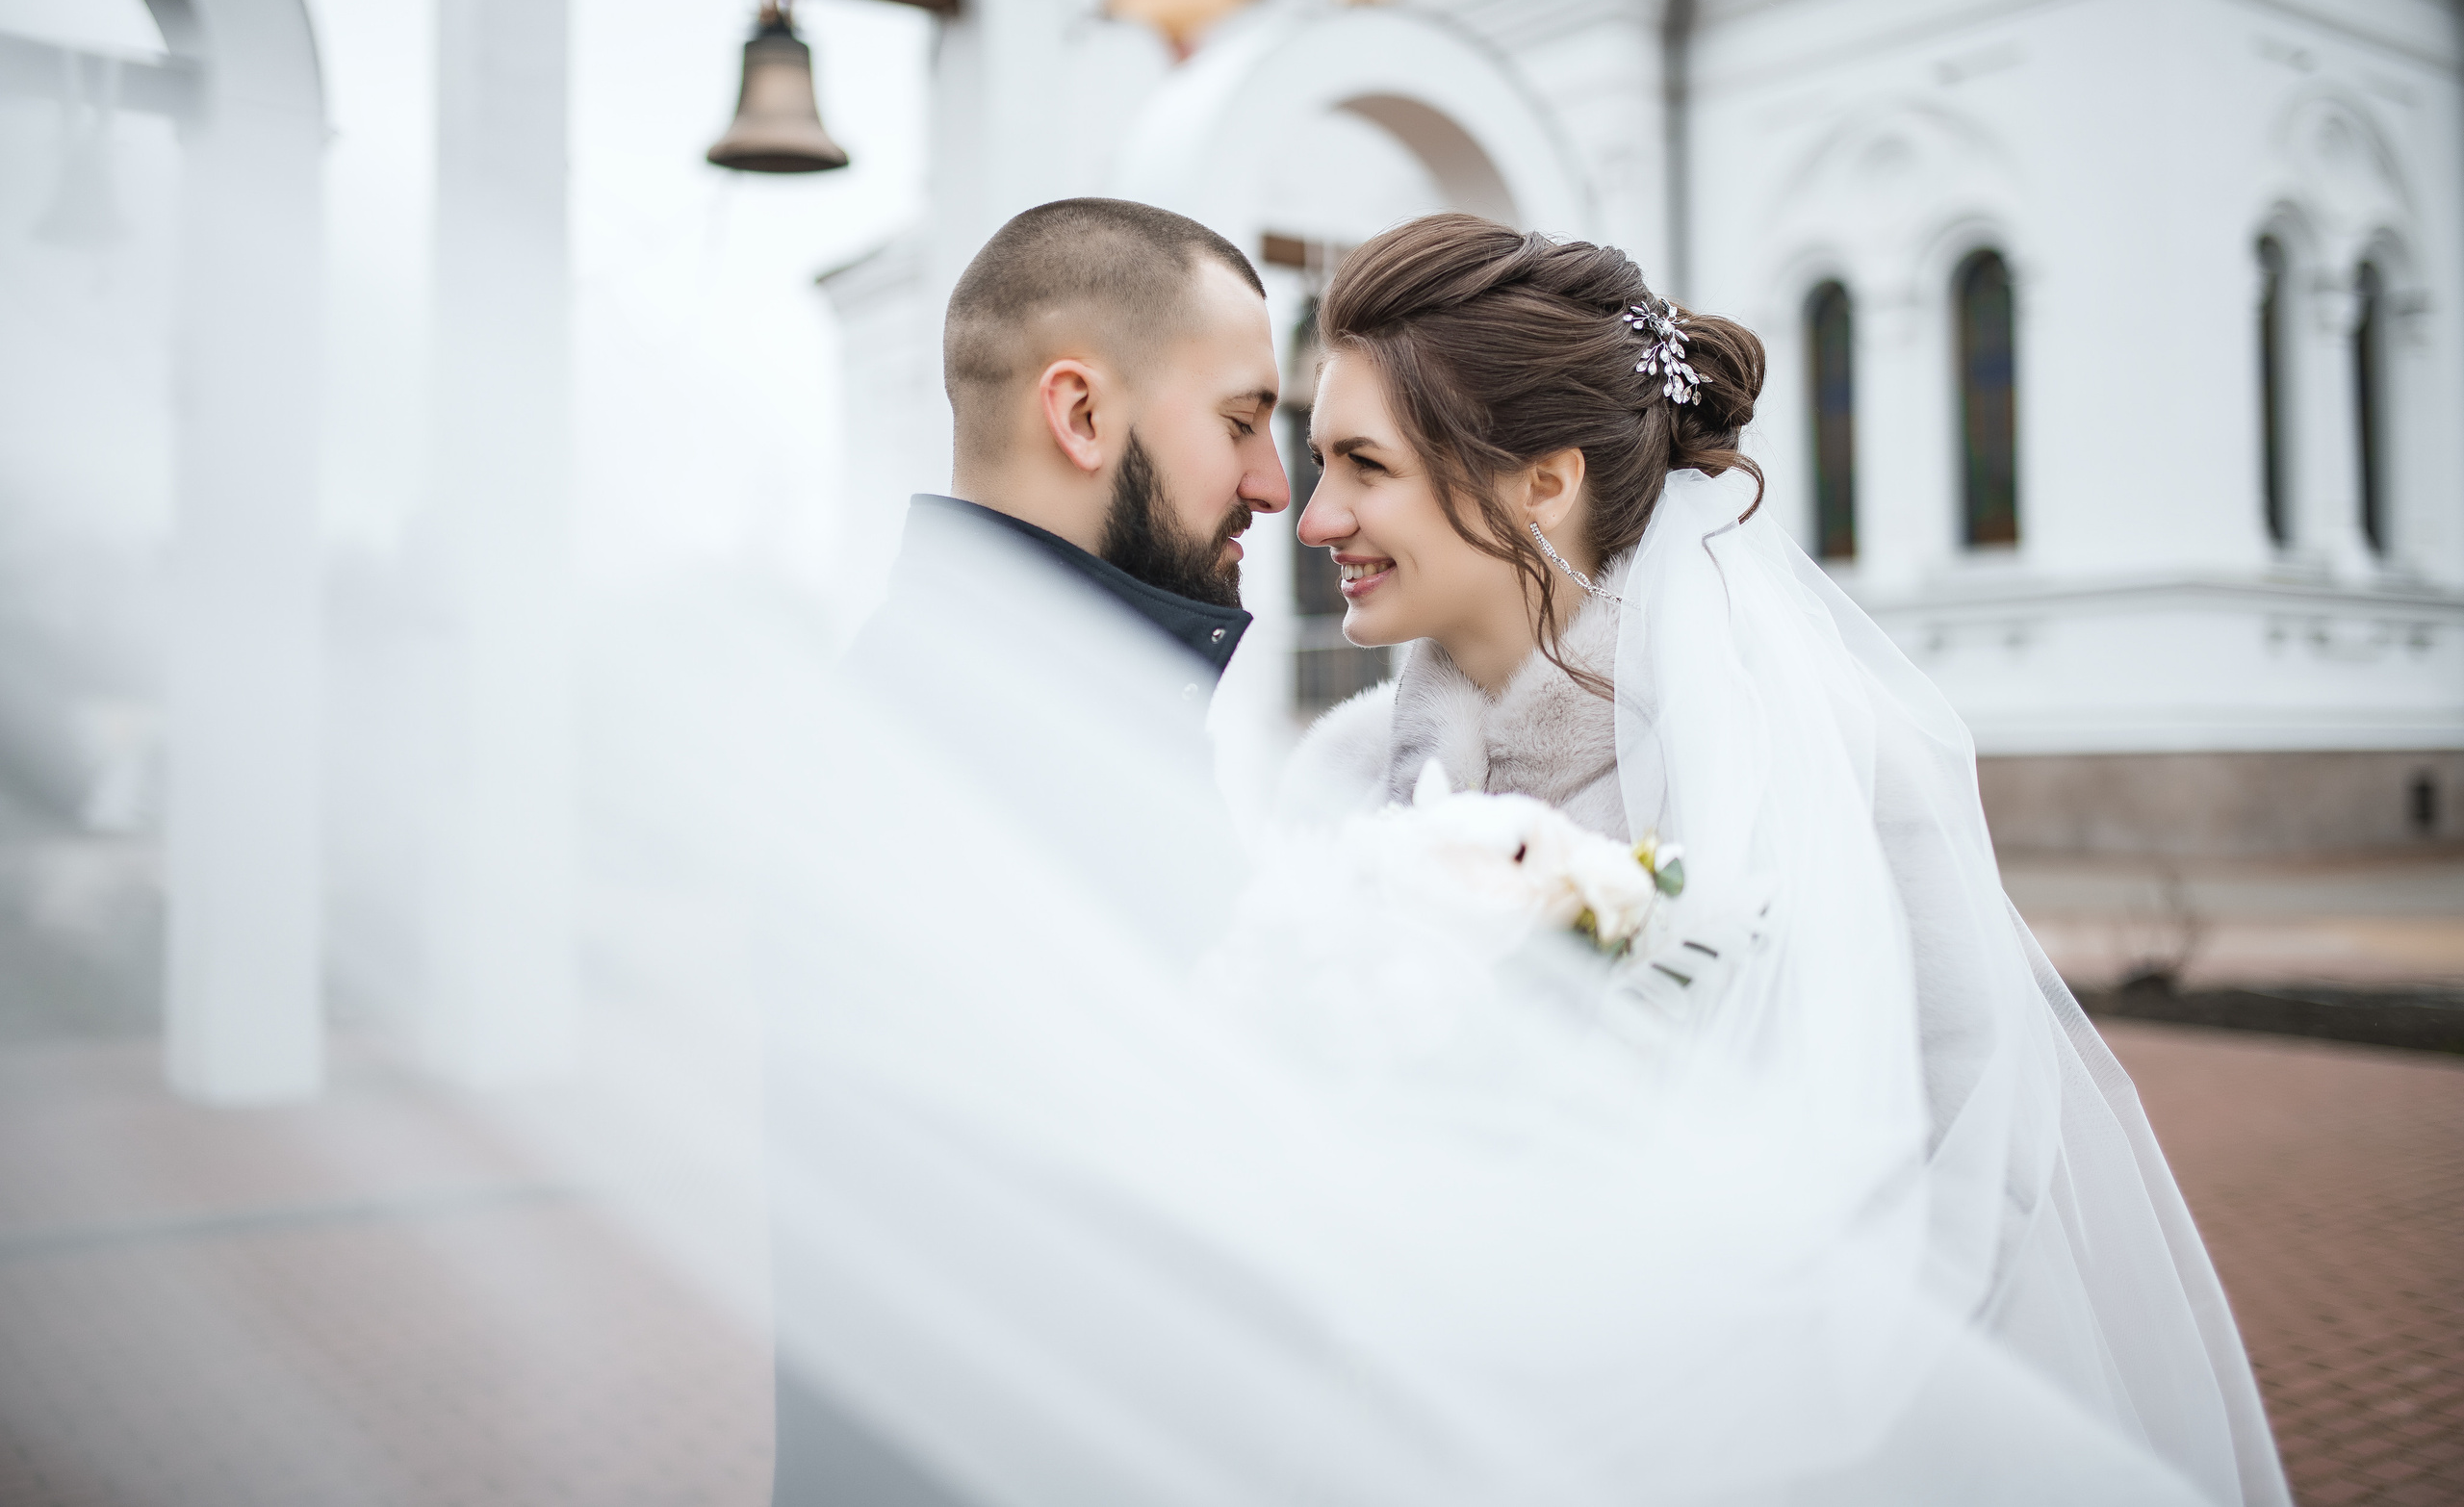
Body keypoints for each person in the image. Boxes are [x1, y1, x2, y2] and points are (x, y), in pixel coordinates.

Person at [1281, 213, 2293, 1505]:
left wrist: (1726, 1427)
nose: (1316, 521)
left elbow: (1970, 1172)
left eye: (1365, 465)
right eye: (1318, 463)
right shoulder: (1333, 790)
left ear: (1544, 480)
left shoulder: (1827, 772)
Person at [771, 197, 1289, 1507]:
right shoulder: (967, 739)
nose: (1277, 486)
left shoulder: (1051, 695)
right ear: (1080, 414)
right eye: (1242, 421)